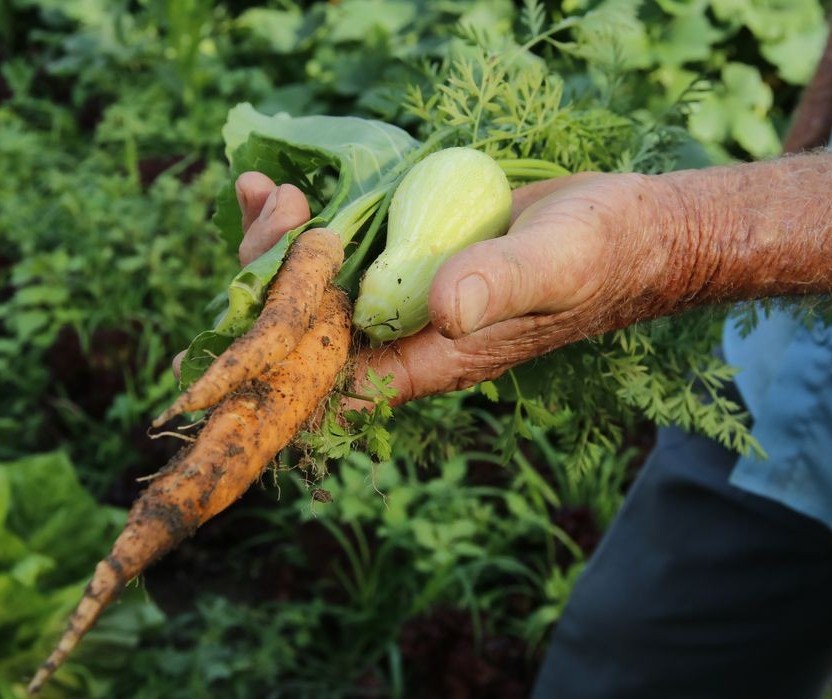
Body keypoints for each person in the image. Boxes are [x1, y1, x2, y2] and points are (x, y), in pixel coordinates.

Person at [220, 44, 832, 697]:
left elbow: (681, 230)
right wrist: (787, 179)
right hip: (776, 389)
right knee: (625, 663)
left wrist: (689, 233)